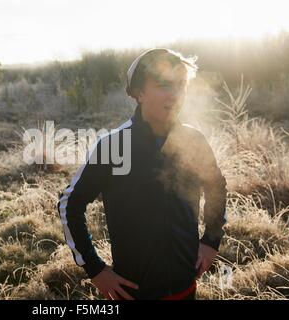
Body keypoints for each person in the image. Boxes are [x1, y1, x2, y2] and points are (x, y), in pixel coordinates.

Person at [57, 48, 227, 300]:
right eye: (163, 85)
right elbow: (70, 204)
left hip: (185, 287)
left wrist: (211, 241)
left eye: (181, 85)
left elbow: (216, 187)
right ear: (139, 92)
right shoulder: (115, 146)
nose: (174, 95)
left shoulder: (194, 140)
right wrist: (95, 269)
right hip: (132, 292)